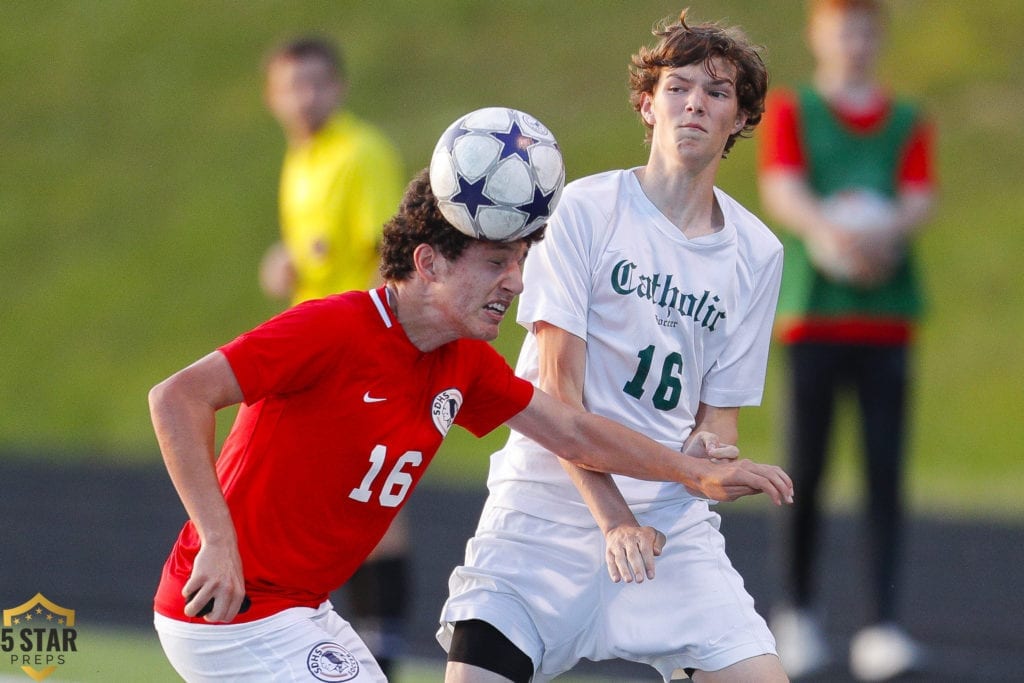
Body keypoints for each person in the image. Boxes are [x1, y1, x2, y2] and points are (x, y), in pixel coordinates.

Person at [150, 167, 794, 682]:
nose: (515, 281)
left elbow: (573, 432)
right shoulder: (333, 328)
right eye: (495, 263)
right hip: (230, 610)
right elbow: (176, 397)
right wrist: (218, 539)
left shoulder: (465, 364)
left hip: (297, 608)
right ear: (428, 263)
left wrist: (695, 473)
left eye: (518, 262)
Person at [439, 10, 790, 683]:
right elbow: (556, 402)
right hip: (545, 512)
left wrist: (709, 455)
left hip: (667, 529)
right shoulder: (584, 211)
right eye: (678, 86)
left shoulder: (757, 252)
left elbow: (718, 422)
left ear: (741, 118)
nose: (695, 103)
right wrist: (616, 519)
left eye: (717, 93)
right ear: (646, 105)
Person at [756, 1, 936, 680]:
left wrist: (882, 232)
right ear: (818, 35)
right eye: (841, 29)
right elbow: (783, 186)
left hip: (886, 316)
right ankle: (797, 613)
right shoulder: (796, 111)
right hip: (816, 315)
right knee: (806, 466)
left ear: (877, 36)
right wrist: (832, 232)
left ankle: (880, 624)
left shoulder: (907, 119)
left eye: (863, 29)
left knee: (884, 472)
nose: (853, 42)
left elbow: (919, 194)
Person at [259, 36, 409, 678]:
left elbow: (389, 256)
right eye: (292, 85)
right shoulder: (302, 158)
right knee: (335, 504)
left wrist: (374, 349)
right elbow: (325, 250)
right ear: (271, 97)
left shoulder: (360, 151)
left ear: (340, 87)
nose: (306, 96)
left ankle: (380, 651)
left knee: (372, 506)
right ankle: (338, 648)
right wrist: (288, 261)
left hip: (357, 356)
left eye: (317, 82)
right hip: (314, 356)